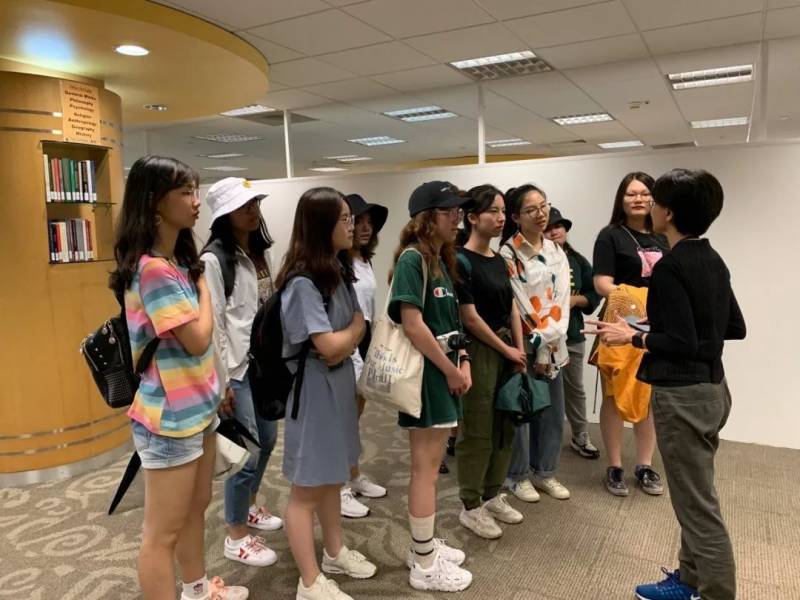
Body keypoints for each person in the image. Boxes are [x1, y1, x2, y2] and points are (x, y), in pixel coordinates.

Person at [584, 168, 745, 600]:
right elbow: (734, 326)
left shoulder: (671, 266)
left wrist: (634, 337)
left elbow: (681, 341)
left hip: (683, 396)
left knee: (698, 508)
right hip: (713, 390)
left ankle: (714, 592)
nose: (648, 205)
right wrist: (651, 327)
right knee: (695, 496)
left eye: (654, 200)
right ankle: (689, 580)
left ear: (668, 213)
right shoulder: (712, 258)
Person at [110, 156, 247, 600]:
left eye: (195, 191)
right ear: (154, 202)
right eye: (185, 192)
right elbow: (197, 338)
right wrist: (204, 287)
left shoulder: (173, 262)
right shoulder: (153, 269)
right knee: (161, 534)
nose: (196, 202)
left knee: (194, 509)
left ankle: (196, 589)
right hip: (169, 417)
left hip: (196, 409)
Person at [277, 187, 377, 600]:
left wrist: (349, 334)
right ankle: (309, 581)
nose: (353, 227)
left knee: (332, 477)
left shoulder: (337, 270)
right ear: (322, 226)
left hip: (336, 383)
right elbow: (333, 344)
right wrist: (352, 331)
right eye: (345, 219)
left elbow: (348, 335)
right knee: (307, 488)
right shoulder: (303, 282)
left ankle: (334, 553)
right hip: (314, 390)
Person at [388, 181, 473, 592]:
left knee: (431, 467)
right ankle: (423, 564)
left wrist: (463, 360)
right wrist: (449, 369)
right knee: (425, 469)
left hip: (442, 369)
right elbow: (413, 324)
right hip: (426, 375)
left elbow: (451, 321)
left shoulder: (440, 258)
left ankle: (423, 544)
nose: (458, 218)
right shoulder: (413, 259)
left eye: (459, 211)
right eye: (449, 211)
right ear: (426, 218)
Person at [200, 178, 282, 569]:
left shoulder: (260, 253)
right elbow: (214, 323)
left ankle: (248, 505)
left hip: (263, 364)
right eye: (244, 206)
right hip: (235, 369)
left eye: (255, 204)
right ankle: (235, 534)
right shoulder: (214, 260)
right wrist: (220, 382)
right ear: (225, 215)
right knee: (245, 453)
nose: (253, 211)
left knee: (268, 439)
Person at [454, 185, 527, 540]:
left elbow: (511, 305)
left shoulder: (499, 259)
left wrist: (518, 349)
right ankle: (471, 505)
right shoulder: (460, 260)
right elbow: (469, 318)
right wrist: (505, 349)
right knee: (478, 428)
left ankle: (492, 493)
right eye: (493, 211)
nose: (501, 218)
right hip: (481, 350)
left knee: (505, 424)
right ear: (472, 217)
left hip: (505, 348)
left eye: (502, 211)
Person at [592, 172, 668, 497]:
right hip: (619, 322)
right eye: (631, 194)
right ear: (620, 200)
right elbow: (601, 283)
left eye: (644, 193)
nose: (638, 199)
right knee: (613, 395)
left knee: (648, 395)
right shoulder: (610, 235)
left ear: (654, 198)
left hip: (657, 325)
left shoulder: (664, 237)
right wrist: (634, 299)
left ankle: (645, 465)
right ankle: (614, 465)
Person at [500, 184, 571, 504]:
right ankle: (517, 476)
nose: (541, 214)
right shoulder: (508, 253)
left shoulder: (556, 250)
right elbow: (519, 303)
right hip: (525, 342)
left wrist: (551, 340)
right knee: (523, 408)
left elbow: (563, 299)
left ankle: (545, 471)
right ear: (516, 217)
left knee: (552, 410)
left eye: (544, 206)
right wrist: (541, 341)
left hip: (554, 345)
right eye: (531, 210)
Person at [339, 193, 389, 519]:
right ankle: (339, 487)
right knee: (341, 422)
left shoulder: (364, 260)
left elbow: (369, 308)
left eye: (370, 223)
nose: (366, 228)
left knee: (353, 419)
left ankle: (353, 474)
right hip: (346, 345)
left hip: (365, 342)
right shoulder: (338, 263)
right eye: (359, 222)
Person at [544, 207, 601, 459]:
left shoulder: (578, 261)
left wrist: (574, 301)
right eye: (548, 228)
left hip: (572, 335)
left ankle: (580, 435)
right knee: (543, 389)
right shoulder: (533, 260)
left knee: (575, 388)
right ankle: (541, 439)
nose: (554, 231)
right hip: (542, 337)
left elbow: (594, 292)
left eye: (558, 226)